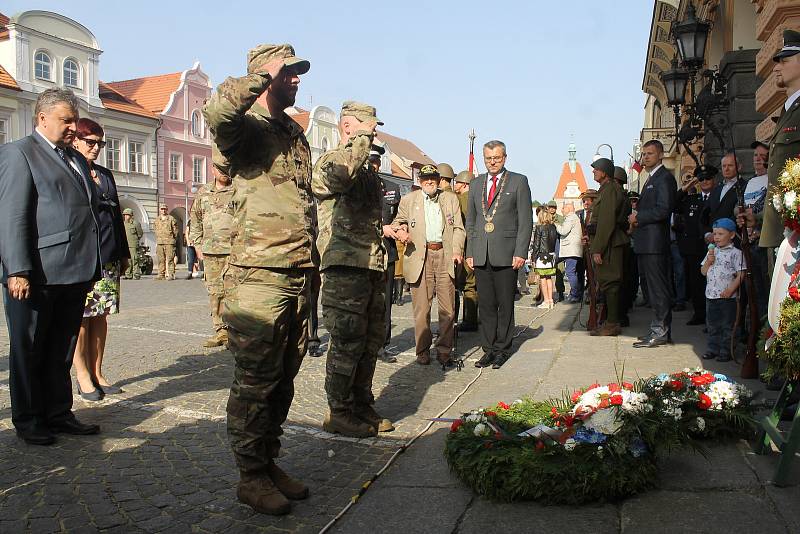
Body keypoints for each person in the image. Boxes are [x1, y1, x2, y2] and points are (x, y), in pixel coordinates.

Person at [203, 43, 314, 516]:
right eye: (289, 74)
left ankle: (269, 463)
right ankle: (249, 475)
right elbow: (218, 114)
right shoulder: (245, 130)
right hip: (259, 273)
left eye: (296, 74)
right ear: (266, 77)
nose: (297, 81)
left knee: (285, 376)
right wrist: (261, 77)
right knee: (255, 380)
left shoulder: (293, 131)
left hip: (299, 269)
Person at [0, 88, 101, 445]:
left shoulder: (72, 157)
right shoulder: (19, 153)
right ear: (42, 118)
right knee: (29, 349)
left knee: (61, 347)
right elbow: (12, 216)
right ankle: (28, 420)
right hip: (36, 273)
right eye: (66, 120)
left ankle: (58, 413)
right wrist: (17, 269)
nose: (73, 127)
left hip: (73, 272)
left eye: (75, 119)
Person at [312, 101, 394, 438]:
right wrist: (359, 141)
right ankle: (340, 411)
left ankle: (361, 403)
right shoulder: (332, 161)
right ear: (348, 126)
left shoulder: (368, 171)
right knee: (346, 340)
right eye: (368, 125)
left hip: (371, 266)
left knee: (370, 341)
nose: (374, 130)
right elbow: (340, 178)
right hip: (344, 266)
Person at [70, 118, 129, 401]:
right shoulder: (69, 170)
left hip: (108, 256)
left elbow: (116, 216)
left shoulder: (105, 174)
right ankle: (82, 375)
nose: (96, 148)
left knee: (101, 315)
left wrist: (124, 252)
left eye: (100, 143)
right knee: (81, 318)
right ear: (76, 141)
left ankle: (97, 371)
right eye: (90, 142)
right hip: (82, 257)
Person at [466, 140, 533, 369]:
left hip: (507, 254)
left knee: (505, 304)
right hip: (481, 254)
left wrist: (521, 252)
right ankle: (488, 349)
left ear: (504, 157)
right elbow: (471, 222)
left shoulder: (518, 181)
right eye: (488, 158)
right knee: (485, 305)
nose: (492, 162)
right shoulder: (475, 184)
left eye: (496, 158)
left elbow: (525, 221)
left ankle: (503, 349)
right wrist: (469, 251)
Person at [393, 164, 465, 367]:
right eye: (425, 179)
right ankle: (422, 351)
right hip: (419, 256)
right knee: (422, 309)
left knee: (448, 309)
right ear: (420, 181)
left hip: (445, 255)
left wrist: (458, 251)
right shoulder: (409, 200)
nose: (429, 182)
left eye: (432, 178)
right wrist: (402, 230)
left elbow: (459, 228)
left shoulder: (450, 199)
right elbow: (397, 222)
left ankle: (444, 350)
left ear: (439, 180)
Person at [629, 140, 677, 348]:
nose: (645, 157)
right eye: (644, 153)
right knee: (651, 288)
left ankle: (661, 331)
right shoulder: (651, 178)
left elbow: (663, 210)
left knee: (658, 289)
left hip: (655, 243)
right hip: (646, 243)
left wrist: (638, 217)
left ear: (660, 155)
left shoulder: (663, 178)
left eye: (650, 154)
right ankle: (657, 328)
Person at [189, 145, 236, 349]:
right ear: (213, 169)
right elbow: (195, 220)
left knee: (234, 293)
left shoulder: (238, 191)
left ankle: (236, 332)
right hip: (210, 252)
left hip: (234, 252)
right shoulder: (203, 192)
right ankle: (221, 332)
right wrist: (198, 245)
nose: (223, 173)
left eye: (227, 169)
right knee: (215, 293)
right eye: (220, 169)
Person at [760, 29, 800, 263]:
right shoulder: (788, 110)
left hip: (795, 230)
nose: (776, 67)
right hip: (779, 230)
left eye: (784, 61)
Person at [587, 158, 629, 336]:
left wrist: (598, 249)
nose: (594, 172)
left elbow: (606, 221)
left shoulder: (610, 189)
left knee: (610, 282)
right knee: (607, 282)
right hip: (608, 241)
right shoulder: (606, 189)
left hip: (610, 242)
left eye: (596, 169)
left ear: (604, 171)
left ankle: (612, 323)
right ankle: (611, 321)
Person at [675, 164, 716, 326]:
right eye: (701, 179)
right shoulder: (692, 199)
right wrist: (687, 186)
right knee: (696, 283)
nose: (705, 181)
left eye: (708, 178)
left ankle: (712, 318)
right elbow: (673, 204)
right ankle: (699, 314)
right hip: (694, 248)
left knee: (714, 282)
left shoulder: (719, 196)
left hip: (714, 247)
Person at [701, 218, 745, 362]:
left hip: (727, 296)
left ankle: (727, 350)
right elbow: (703, 271)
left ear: (731, 235)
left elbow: (741, 273)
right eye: (715, 234)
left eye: (720, 234)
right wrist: (708, 261)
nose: (717, 237)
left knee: (728, 325)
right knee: (712, 324)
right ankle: (713, 348)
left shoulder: (736, 253)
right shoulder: (711, 252)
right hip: (711, 295)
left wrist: (731, 289)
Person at [372, 148, 401, 363]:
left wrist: (400, 228)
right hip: (363, 254)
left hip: (387, 253)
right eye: (370, 160)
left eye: (376, 161)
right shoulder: (354, 187)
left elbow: (399, 217)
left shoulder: (391, 188)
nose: (373, 165)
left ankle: (383, 346)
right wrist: (381, 229)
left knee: (386, 302)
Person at [743, 140, 770, 319]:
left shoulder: (772, 180)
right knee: (752, 294)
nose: (758, 159)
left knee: (765, 293)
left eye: (763, 156)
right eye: (755, 155)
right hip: (748, 242)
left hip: (764, 243)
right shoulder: (750, 182)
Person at [453, 170, 478, 331]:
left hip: (465, 247)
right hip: (477, 247)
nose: (455, 185)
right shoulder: (478, 200)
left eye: (458, 182)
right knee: (475, 286)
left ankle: (469, 321)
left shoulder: (461, 199)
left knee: (467, 285)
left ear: (464, 184)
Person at [703, 152, 745, 232]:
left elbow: (738, 214)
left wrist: (722, 232)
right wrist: (707, 233)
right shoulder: (716, 189)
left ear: (739, 167)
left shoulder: (744, 186)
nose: (726, 169)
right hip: (712, 238)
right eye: (724, 166)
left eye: (730, 165)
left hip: (732, 237)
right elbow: (705, 214)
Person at [555, 203, 584, 303]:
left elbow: (563, 231)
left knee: (570, 272)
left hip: (571, 250)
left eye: (563, 208)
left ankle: (575, 294)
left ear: (568, 209)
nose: (562, 210)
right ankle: (576, 293)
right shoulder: (574, 218)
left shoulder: (570, 218)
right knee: (574, 272)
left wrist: (557, 224)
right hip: (573, 250)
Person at [530, 209, 558, 309]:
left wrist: (533, 257)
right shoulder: (553, 227)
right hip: (551, 255)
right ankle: (550, 300)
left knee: (542, 279)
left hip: (542, 256)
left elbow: (536, 244)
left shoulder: (539, 227)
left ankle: (546, 301)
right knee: (549, 278)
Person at [153, 204, 178, 280]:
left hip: (169, 242)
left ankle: (171, 274)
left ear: (167, 210)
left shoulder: (171, 219)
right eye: (162, 209)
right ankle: (161, 274)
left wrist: (173, 239)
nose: (163, 210)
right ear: (160, 210)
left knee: (170, 258)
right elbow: (155, 229)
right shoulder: (157, 220)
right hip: (160, 242)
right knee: (161, 259)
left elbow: (175, 231)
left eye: (165, 209)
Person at [123, 208, 143, 280]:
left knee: (135, 259)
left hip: (133, 244)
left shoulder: (135, 223)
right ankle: (128, 275)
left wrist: (136, 240)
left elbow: (140, 233)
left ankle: (136, 275)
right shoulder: (123, 224)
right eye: (124, 215)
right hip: (126, 245)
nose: (125, 216)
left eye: (127, 215)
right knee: (128, 260)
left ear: (131, 215)